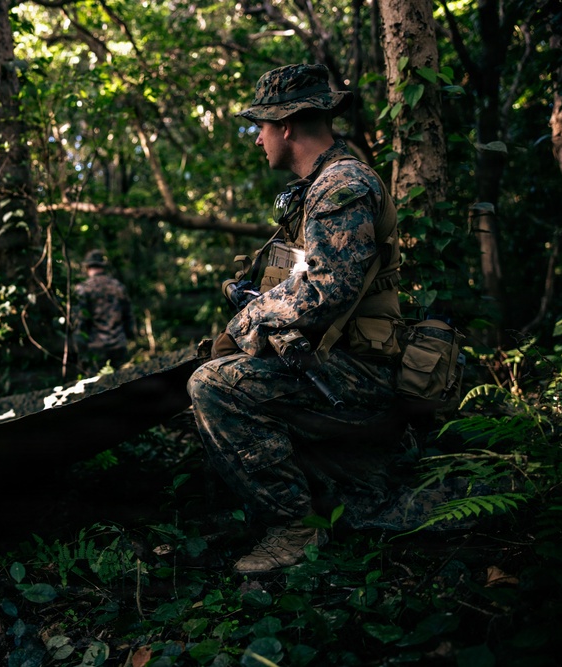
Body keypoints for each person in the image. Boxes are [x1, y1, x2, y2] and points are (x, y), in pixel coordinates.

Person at [188, 63, 406, 575]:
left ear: (286, 125)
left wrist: (248, 321)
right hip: (332, 360)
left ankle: (295, 528)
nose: (257, 139)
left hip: (360, 373)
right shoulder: (319, 186)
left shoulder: (342, 185)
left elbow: (327, 289)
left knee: (214, 385)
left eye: (260, 127)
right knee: (218, 363)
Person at [72, 249, 135, 372]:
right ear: (103, 266)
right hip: (119, 345)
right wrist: (129, 336)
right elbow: (128, 316)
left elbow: (80, 322)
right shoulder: (117, 286)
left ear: (87, 266)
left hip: (96, 348)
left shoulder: (83, 289)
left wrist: (81, 351)